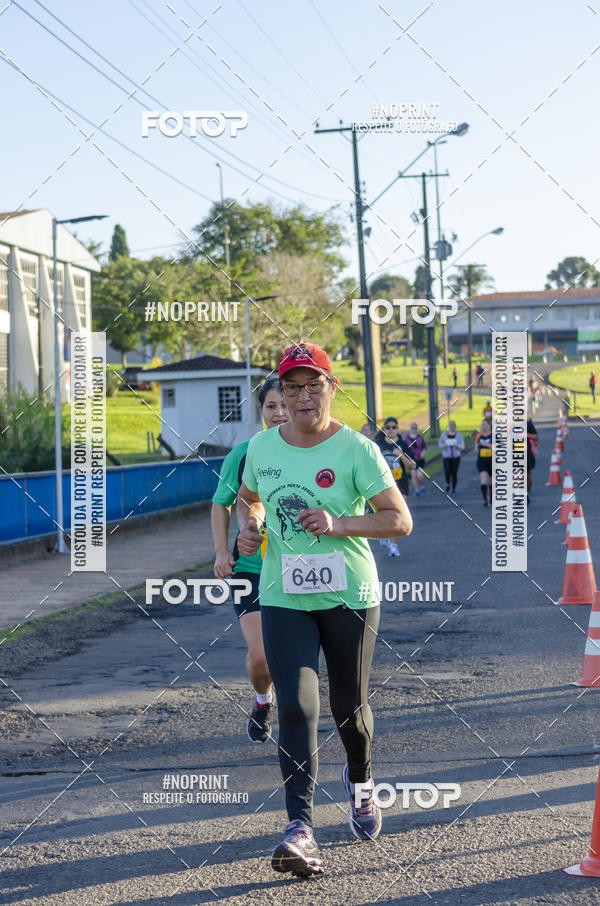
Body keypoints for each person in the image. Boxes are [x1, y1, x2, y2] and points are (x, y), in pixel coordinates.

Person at [236, 342, 412, 878]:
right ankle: (300, 828)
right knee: (296, 706)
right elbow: (249, 497)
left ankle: (360, 780)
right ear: (281, 396)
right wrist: (251, 527)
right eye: (292, 388)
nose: (303, 396)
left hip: (349, 597)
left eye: (314, 386)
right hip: (284, 595)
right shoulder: (262, 447)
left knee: (349, 710)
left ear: (332, 389)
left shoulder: (357, 450)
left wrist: (339, 524)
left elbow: (398, 520)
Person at [211, 377, 288, 743]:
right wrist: (221, 553)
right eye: (271, 407)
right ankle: (262, 700)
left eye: (284, 405)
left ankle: (298, 720)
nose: (279, 413)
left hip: (300, 571)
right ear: (261, 412)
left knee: (295, 655)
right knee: (261, 659)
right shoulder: (245, 453)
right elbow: (222, 503)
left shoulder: (318, 451)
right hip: (253, 569)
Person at [374, 417, 413, 556]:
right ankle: (384, 534)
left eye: (393, 427)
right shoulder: (377, 444)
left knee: (398, 514)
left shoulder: (402, 444)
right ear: (384, 429)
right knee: (382, 512)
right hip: (383, 484)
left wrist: (401, 455)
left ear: (397, 429)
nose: (391, 430)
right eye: (388, 427)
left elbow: (412, 465)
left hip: (400, 483)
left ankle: (394, 545)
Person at [438, 420, 465, 495]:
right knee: (447, 471)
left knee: (454, 472)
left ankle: (453, 488)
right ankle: (448, 483)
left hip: (456, 457)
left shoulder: (459, 435)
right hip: (446, 456)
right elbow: (440, 445)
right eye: (450, 425)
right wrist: (445, 445)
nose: (451, 427)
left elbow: (462, 446)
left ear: (455, 427)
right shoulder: (444, 435)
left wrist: (456, 444)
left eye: (453, 425)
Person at [406, 421, 427, 496]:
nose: (414, 429)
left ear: (417, 429)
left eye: (415, 428)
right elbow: (406, 449)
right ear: (410, 429)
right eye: (412, 428)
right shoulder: (407, 438)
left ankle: (422, 487)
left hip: (420, 459)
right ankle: (416, 490)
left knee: (420, 475)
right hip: (411, 460)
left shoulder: (420, 437)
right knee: (414, 476)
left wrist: (423, 452)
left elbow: (424, 446)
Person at [475, 419, 493, 505]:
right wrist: (478, 447)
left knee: (491, 482)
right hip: (482, 461)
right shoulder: (479, 436)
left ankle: (492, 499)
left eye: (485, 424)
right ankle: (485, 499)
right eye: (482, 424)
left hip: (492, 461)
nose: (483, 426)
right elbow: (476, 449)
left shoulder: (494, 436)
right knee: (484, 480)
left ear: (489, 425)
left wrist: (488, 445)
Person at [526, 416, 539, 504]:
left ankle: (527, 492)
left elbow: (536, 438)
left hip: (527, 453)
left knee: (528, 476)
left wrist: (524, 435)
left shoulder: (528, 424)